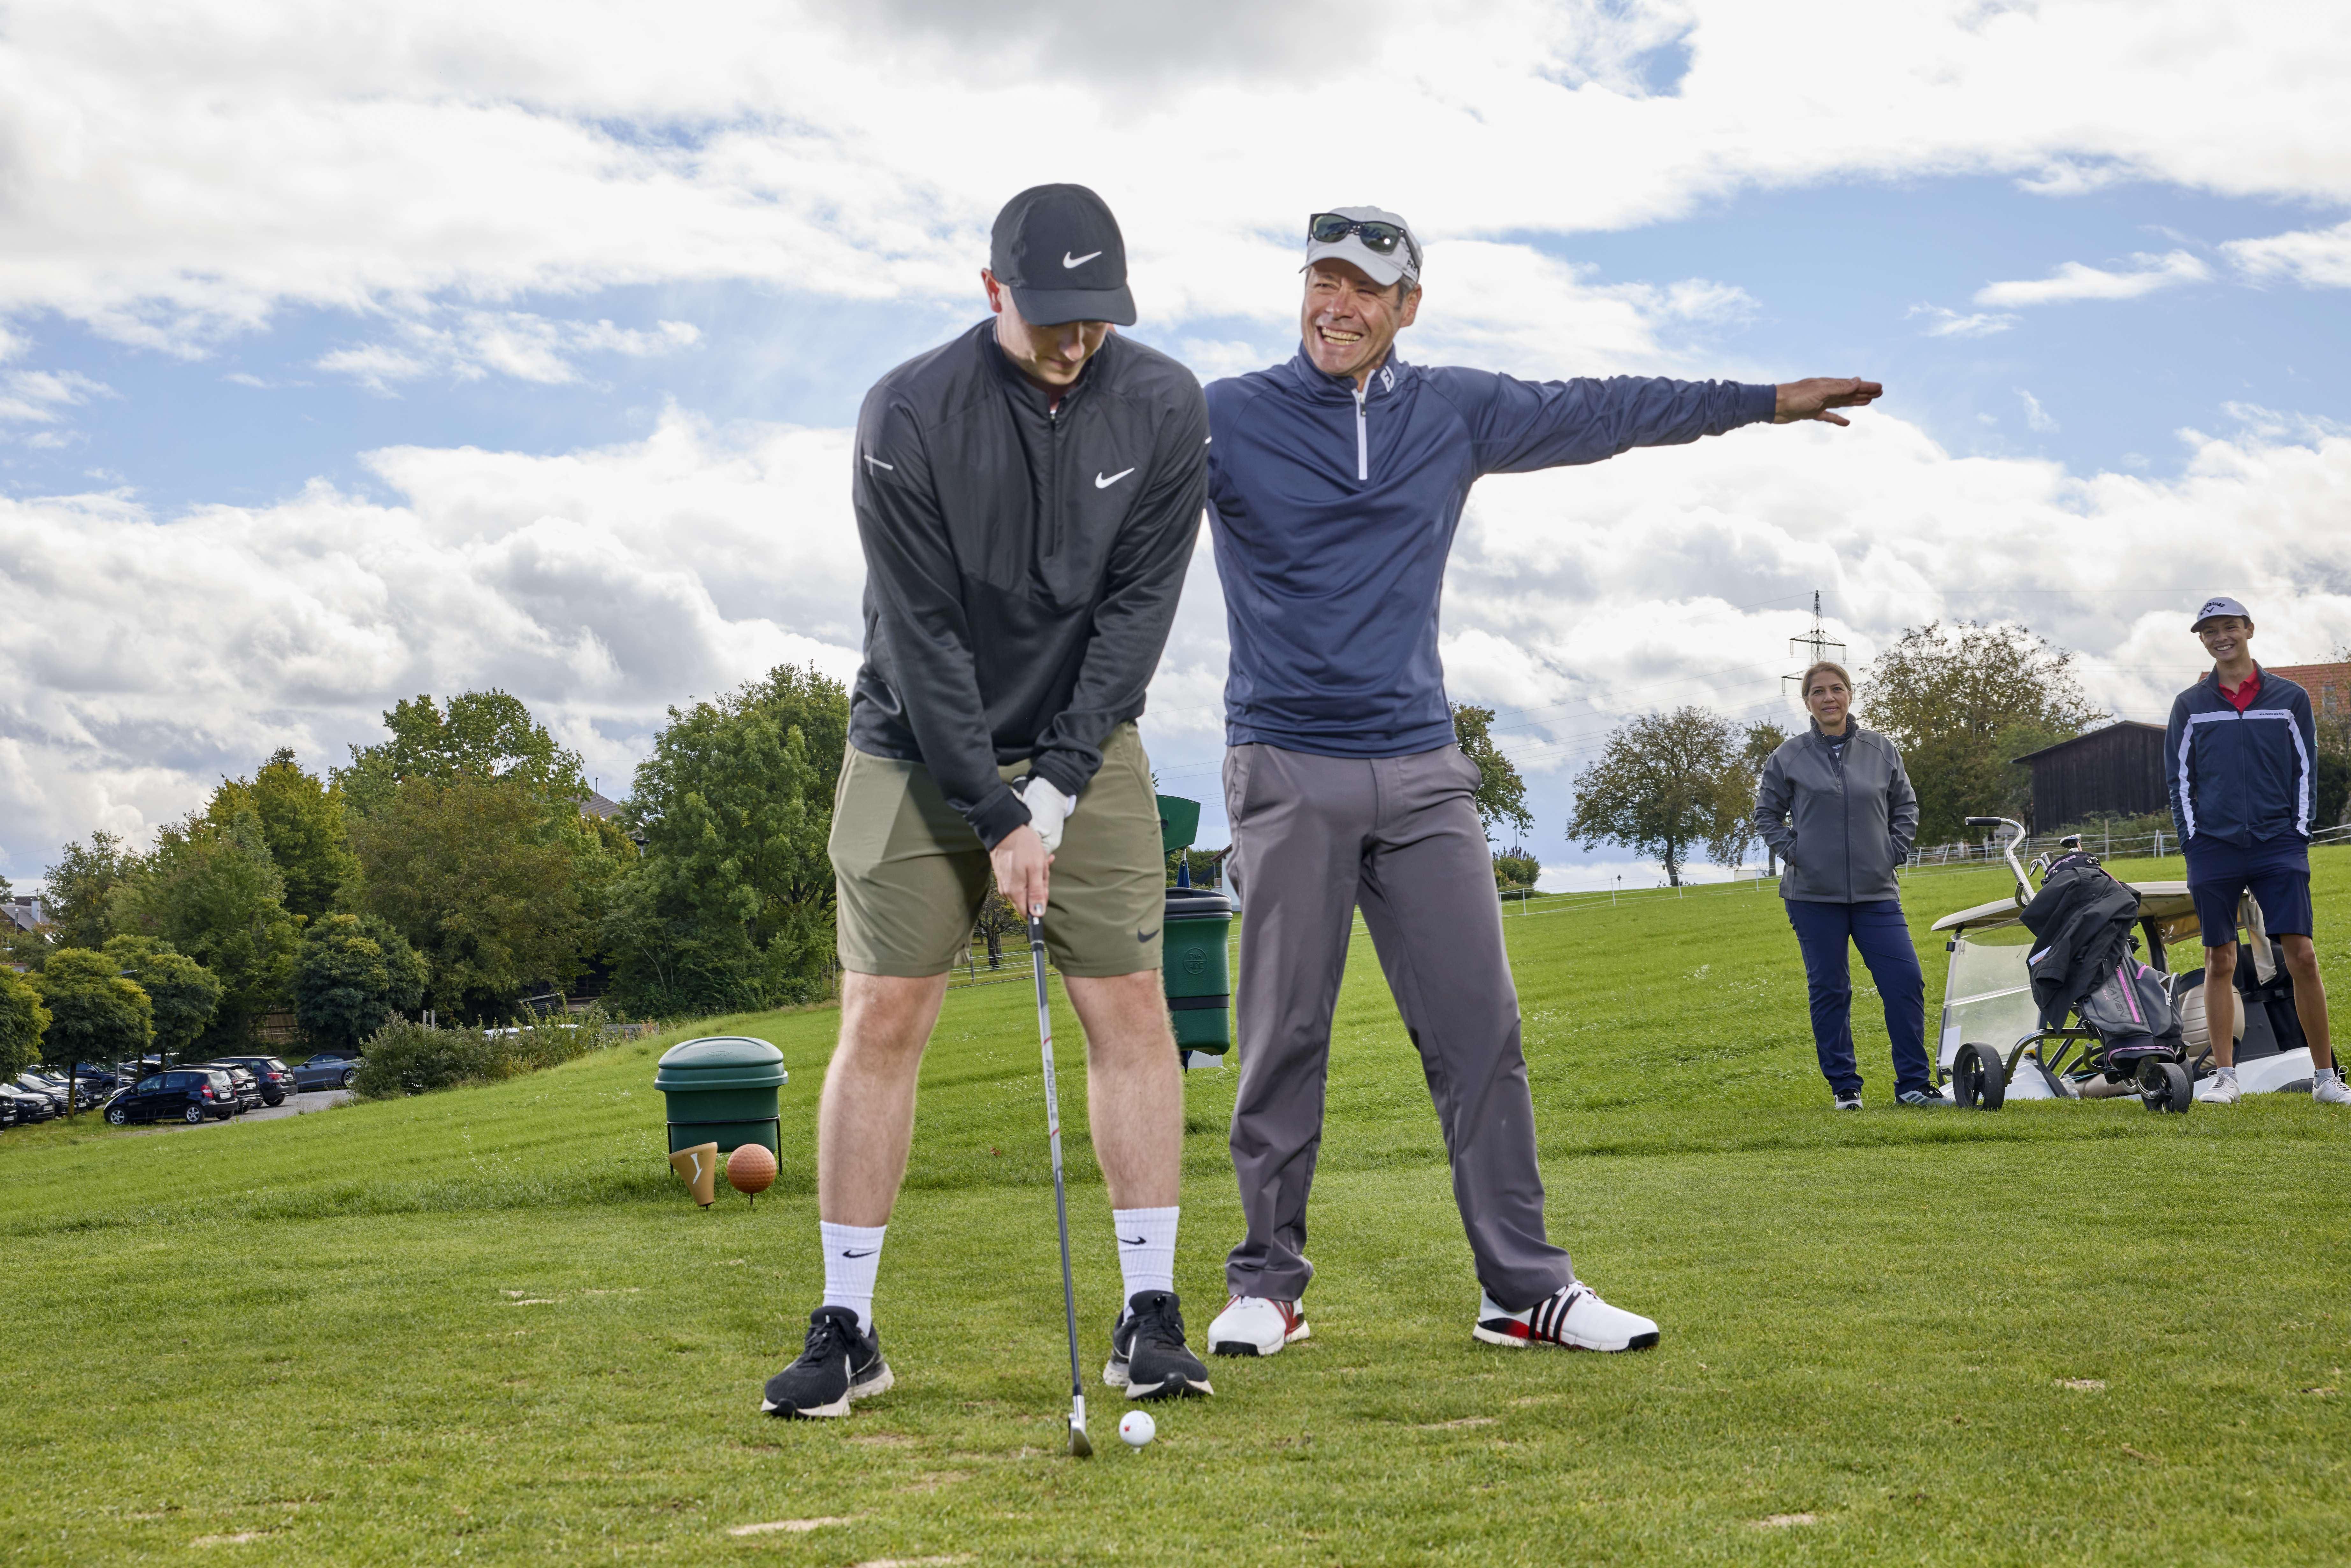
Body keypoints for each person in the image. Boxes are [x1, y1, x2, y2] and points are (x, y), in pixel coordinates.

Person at [1199, 205, 1884, 1361]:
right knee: (1283, 1034)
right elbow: (1101, 494)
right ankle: (1268, 1285)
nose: (1338, 305)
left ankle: (1522, 1289)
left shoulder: (1451, 410)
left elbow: (1604, 409)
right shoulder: (1226, 415)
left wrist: (1763, 402)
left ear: (1407, 306)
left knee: (1482, 1032)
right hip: (1285, 761)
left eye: (1365, 288)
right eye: (1323, 280)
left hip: (1422, 767)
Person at [761, 184, 1217, 1418]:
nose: (1077, 340)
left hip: (1087, 739)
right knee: (884, 1016)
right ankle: (847, 1327)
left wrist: (1058, 783)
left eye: (1098, 315)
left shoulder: (1166, 405)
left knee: (1130, 1004)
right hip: (915, 744)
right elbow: (921, 643)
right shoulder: (908, 413)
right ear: (993, 292)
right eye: (1053, 315)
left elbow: (1137, 617)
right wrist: (998, 812)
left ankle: (1149, 1314)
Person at [2165, 596, 2347, 1106]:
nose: (2220, 637)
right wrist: (2193, 839)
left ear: (2249, 628)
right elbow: (2179, 778)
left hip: (2278, 844)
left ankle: (2326, 1078)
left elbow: (2305, 769)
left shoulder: (2290, 698)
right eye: (2210, 631)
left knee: (2302, 956)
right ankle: (2225, 1078)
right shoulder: (2190, 705)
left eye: (2229, 627)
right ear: (2203, 639)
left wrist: (2298, 830)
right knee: (2219, 958)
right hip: (2213, 849)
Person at [1753, 661, 1938, 1111]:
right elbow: (1766, 815)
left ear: (1850, 695)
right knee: (1831, 990)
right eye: (1818, 691)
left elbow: (1905, 805)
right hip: (1813, 897)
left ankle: (1913, 1085)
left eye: (1837, 689)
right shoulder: (1788, 756)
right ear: (1807, 702)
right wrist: (1797, 853)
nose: (1829, 698)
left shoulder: (1881, 749)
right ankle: (1845, 1088)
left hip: (1877, 894)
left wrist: (1894, 850)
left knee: (1905, 981)